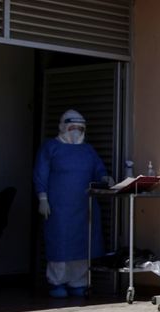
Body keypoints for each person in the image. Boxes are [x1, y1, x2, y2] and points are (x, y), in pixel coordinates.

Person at [34, 109, 113, 298]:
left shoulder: (87, 150)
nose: (76, 131)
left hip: (84, 207)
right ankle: (57, 282)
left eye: (80, 128)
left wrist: (105, 177)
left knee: (82, 247)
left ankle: (79, 282)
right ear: (63, 127)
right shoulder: (50, 148)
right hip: (59, 208)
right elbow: (40, 173)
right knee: (60, 245)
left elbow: (98, 168)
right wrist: (42, 198)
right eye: (72, 127)